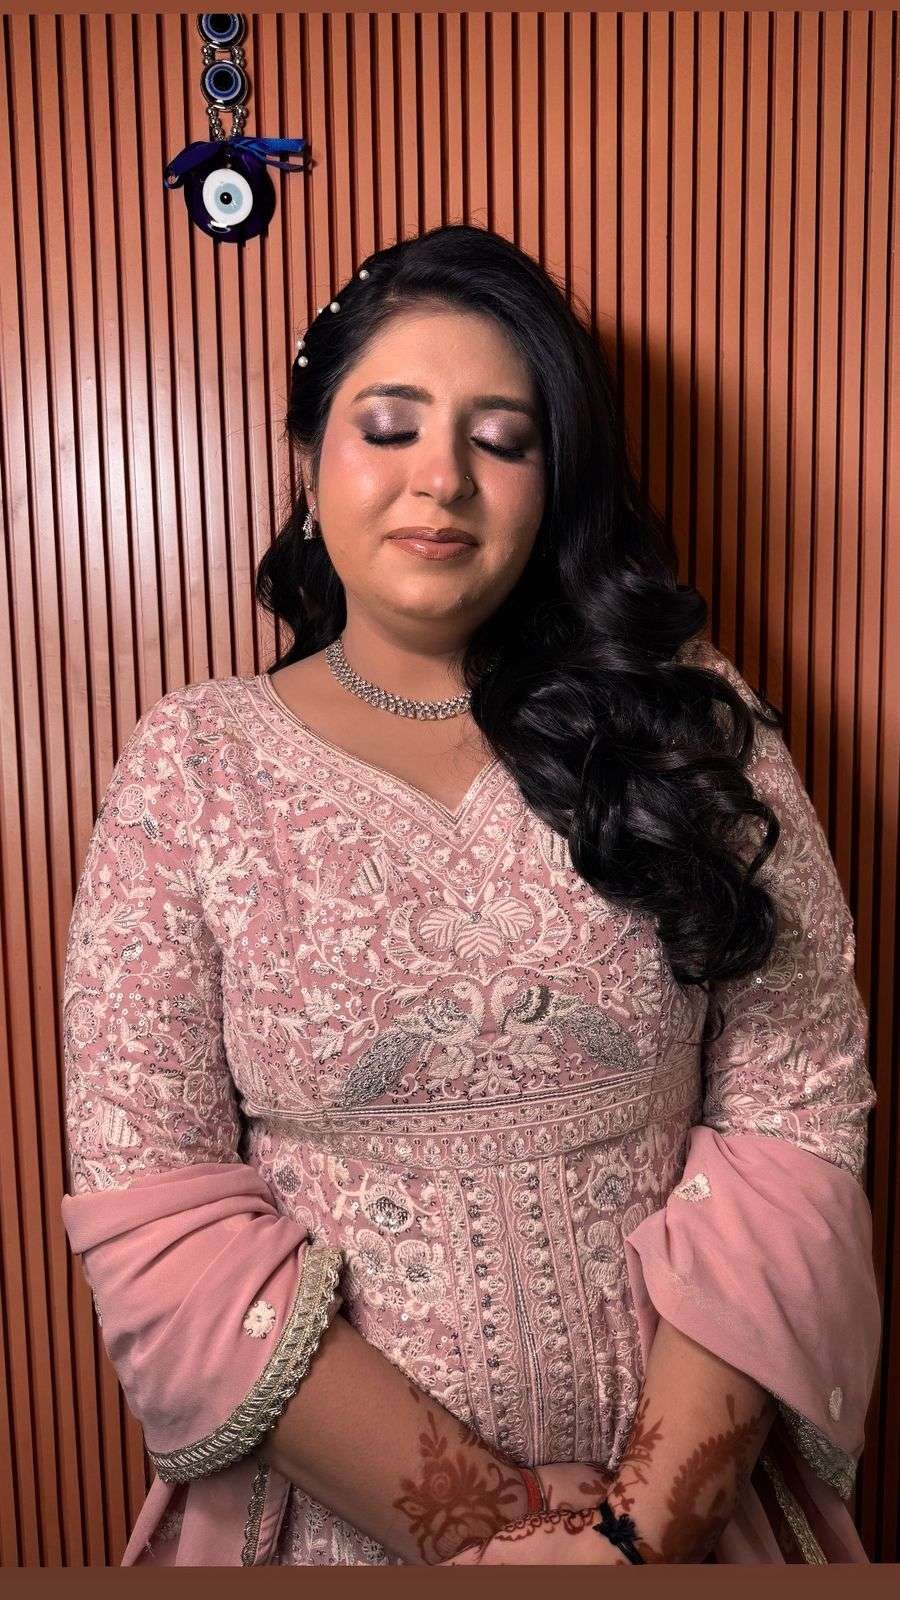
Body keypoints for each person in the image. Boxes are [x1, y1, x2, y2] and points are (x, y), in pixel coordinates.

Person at [60, 222, 881, 1566]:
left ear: (556, 485)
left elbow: (798, 1110)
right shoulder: (191, 771)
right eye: (389, 427)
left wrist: (630, 1540)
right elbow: (155, 1199)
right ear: (308, 458)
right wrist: (508, 1540)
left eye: (502, 439)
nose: (441, 476)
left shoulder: (687, 728)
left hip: (682, 1525)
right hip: (323, 1523)